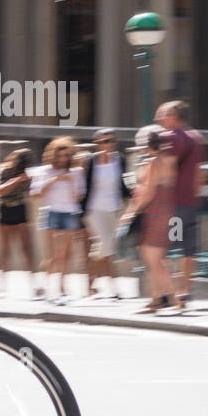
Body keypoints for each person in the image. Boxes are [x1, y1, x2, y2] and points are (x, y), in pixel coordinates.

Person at [153, 100, 207, 305]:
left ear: (174, 116)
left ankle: (169, 293)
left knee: (163, 249)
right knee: (188, 250)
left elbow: (166, 171)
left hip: (173, 206)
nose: (158, 119)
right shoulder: (197, 137)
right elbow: (201, 172)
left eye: (163, 114)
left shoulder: (170, 137)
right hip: (191, 204)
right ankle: (185, 291)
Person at [124, 126, 180, 314]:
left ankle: (173, 298)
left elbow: (149, 192)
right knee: (156, 258)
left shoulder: (155, 162)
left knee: (153, 258)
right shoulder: (169, 160)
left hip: (155, 212)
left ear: (146, 145)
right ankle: (156, 299)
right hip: (168, 211)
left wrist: (132, 212)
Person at [29, 137, 85, 303]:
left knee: (65, 254)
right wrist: (55, 180)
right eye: (60, 155)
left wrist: (72, 183)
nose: (63, 159)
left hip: (69, 212)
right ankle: (46, 286)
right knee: (54, 254)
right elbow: (35, 194)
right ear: (53, 155)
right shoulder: (44, 171)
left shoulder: (76, 172)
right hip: (51, 212)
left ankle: (60, 286)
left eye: (67, 155)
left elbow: (79, 196)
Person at [81, 128, 130, 299]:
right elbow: (84, 186)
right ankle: (101, 286)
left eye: (109, 141)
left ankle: (94, 287)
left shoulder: (120, 160)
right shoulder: (91, 162)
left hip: (114, 208)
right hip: (94, 209)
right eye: (102, 141)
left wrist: (133, 200)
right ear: (96, 143)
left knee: (107, 250)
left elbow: (123, 185)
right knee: (103, 245)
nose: (106, 145)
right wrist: (80, 211)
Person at [0, 148, 39, 298]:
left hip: (20, 208)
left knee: (27, 249)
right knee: (5, 250)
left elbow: (31, 194)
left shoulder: (25, 174)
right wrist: (17, 180)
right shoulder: (2, 171)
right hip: (5, 209)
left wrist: (31, 183)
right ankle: (1, 286)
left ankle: (33, 284)